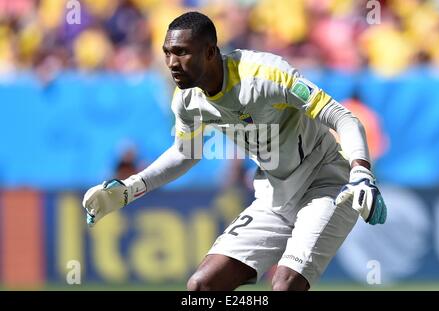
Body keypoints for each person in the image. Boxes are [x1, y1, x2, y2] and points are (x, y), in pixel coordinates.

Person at [82, 11, 387, 291]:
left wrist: (361, 173)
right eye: (167, 53)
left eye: (182, 52)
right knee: (201, 287)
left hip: (326, 183)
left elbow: (343, 117)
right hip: (274, 195)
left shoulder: (266, 75)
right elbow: (186, 153)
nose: (172, 62)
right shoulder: (187, 100)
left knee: (284, 286)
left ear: (211, 52)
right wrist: (130, 188)